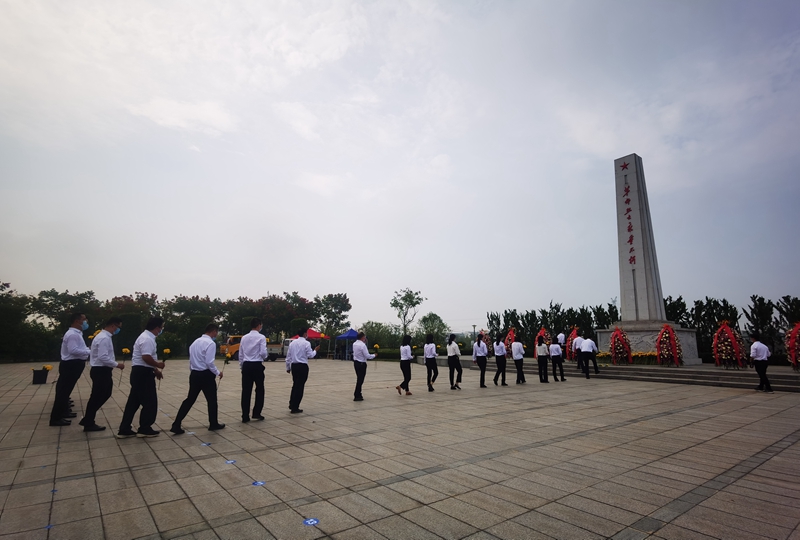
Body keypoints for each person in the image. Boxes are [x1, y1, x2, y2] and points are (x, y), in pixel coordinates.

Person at [171, 324, 225, 434]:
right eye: (216, 332)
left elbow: (191, 360)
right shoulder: (210, 343)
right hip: (206, 375)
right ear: (214, 331)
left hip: (195, 374)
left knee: (190, 399)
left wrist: (193, 370)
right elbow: (209, 362)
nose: (216, 335)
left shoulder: (195, 342)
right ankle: (213, 423)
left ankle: (176, 423)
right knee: (212, 400)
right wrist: (217, 372)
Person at [117, 317, 165, 438]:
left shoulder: (145, 337)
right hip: (143, 374)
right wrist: (157, 365)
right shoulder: (147, 338)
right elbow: (146, 357)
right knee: (150, 402)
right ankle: (145, 428)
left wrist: (155, 370)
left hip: (140, 372)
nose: (161, 330)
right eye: (161, 327)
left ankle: (124, 428)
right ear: (157, 327)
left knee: (133, 403)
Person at [80, 317, 125, 432]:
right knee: (97, 396)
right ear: (113, 325)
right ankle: (89, 421)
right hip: (101, 370)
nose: (118, 330)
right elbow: (103, 357)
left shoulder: (103, 336)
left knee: (104, 394)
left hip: (102, 370)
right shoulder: (104, 338)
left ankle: (88, 418)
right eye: (118, 327)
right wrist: (116, 364)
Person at [50, 313, 91, 427]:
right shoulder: (73, 334)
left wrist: (86, 350)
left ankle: (64, 412)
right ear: (77, 321)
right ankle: (56, 418)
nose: (86, 322)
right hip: (71, 365)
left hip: (73, 364)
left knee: (66, 391)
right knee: (63, 391)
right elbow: (73, 350)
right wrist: (89, 351)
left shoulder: (76, 333)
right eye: (84, 319)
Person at [239, 318, 268, 422]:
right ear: (259, 325)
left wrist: (242, 366)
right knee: (259, 389)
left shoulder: (244, 337)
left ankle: (245, 415)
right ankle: (256, 412)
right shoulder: (261, 337)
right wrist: (264, 357)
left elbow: (241, 353)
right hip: (256, 364)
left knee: (246, 391)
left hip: (246, 365)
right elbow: (263, 352)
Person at [285, 328, 319, 413]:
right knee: (300, 386)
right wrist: (315, 351)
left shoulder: (292, 343)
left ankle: (292, 403)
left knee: (295, 385)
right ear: (304, 334)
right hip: (302, 366)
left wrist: (288, 367)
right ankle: (295, 407)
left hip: (294, 365)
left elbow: (288, 356)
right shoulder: (306, 343)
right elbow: (310, 355)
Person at [352, 332, 374, 401]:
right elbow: (367, 356)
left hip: (356, 362)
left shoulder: (354, 344)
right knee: (360, 380)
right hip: (362, 363)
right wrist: (374, 355)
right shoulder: (362, 345)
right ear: (362, 337)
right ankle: (357, 394)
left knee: (359, 378)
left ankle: (358, 393)